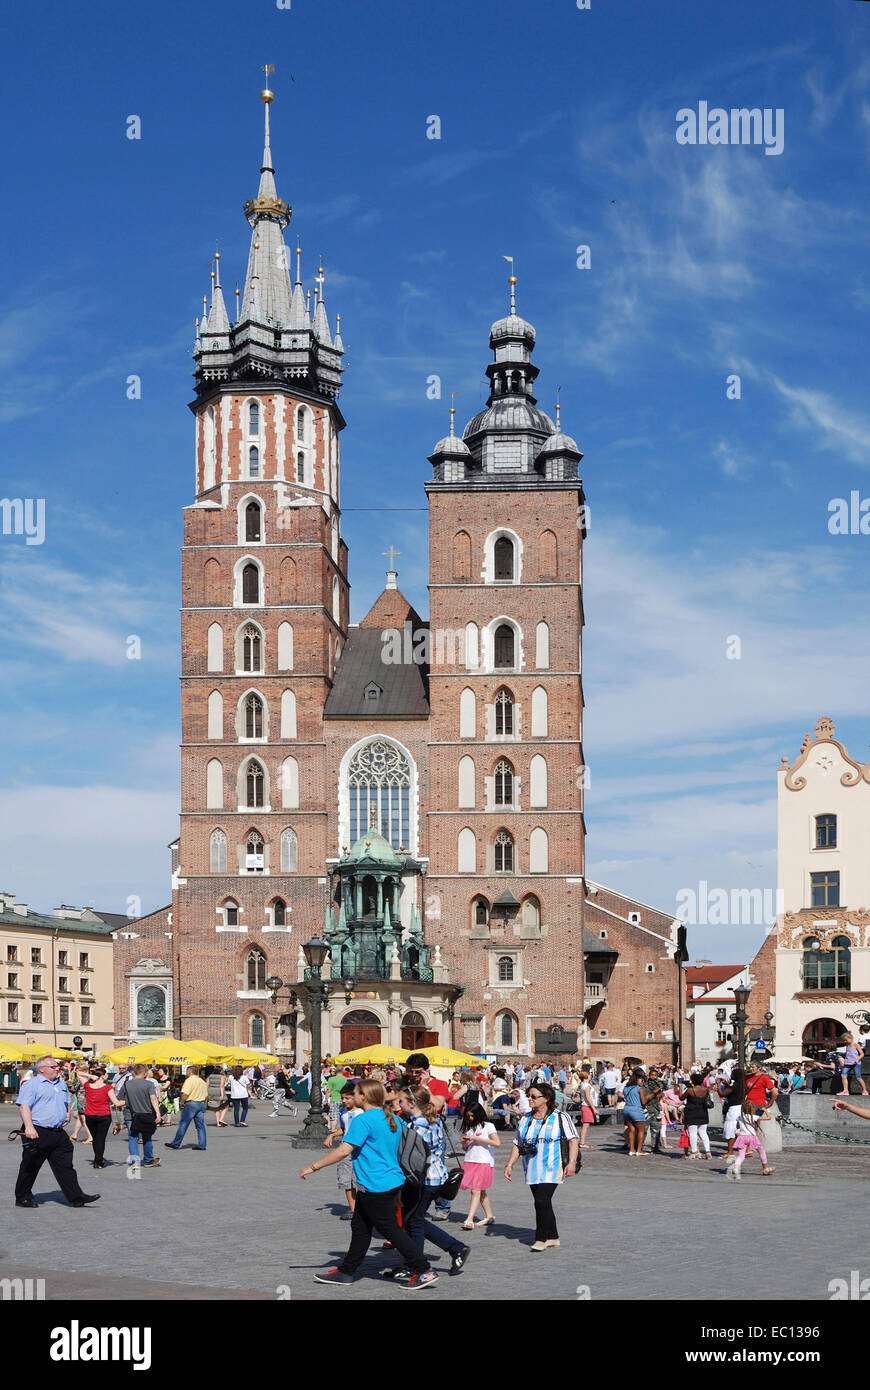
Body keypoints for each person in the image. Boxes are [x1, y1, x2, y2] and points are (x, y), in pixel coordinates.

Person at [300, 1078, 436, 1289]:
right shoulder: (390, 1117)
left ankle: (424, 1270)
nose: (352, 1097)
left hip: (375, 1184)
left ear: (363, 1096)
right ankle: (347, 1271)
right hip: (388, 1181)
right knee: (361, 1227)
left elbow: (344, 1150)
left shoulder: (363, 1120)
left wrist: (314, 1166)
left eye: (354, 1093)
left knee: (392, 1231)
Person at [382, 1087, 471, 1281]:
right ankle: (453, 1249)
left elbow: (412, 1157)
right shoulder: (434, 1119)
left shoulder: (418, 1126)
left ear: (412, 1104)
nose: (399, 1104)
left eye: (402, 1101)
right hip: (436, 1175)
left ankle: (417, 1264)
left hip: (422, 1179)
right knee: (415, 1219)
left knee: (414, 1222)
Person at [14, 1056, 99, 1208]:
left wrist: (66, 1114)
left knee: (65, 1166)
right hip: (37, 1130)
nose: (57, 1069)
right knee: (31, 1165)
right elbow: (24, 1106)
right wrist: (29, 1127)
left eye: (57, 1066)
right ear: (42, 1069)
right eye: (53, 1066)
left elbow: (67, 1101)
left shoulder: (61, 1084)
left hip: (58, 1132)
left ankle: (76, 1196)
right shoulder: (32, 1084)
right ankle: (22, 1197)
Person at [504, 1081, 578, 1252]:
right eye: (528, 1096)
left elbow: (573, 1140)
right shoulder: (526, 1118)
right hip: (531, 1167)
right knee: (544, 1203)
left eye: (533, 1096)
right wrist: (509, 1164)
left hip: (553, 1166)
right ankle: (553, 1236)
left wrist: (572, 1162)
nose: (529, 1099)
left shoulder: (560, 1117)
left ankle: (540, 1238)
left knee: (541, 1201)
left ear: (546, 1098)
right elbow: (518, 1143)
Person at [324, 1081, 362, 1218]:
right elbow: (344, 1129)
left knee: (359, 1180)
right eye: (342, 1098)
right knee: (346, 1180)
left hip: (360, 1151)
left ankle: (363, 1209)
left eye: (347, 1098)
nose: (344, 1101)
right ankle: (353, 1210)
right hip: (345, 1150)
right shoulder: (343, 1112)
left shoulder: (363, 1112)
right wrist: (333, 1134)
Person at [458, 1101, 499, 1228]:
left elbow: (497, 1142)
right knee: (480, 1192)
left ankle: (469, 1219)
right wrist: (464, 1142)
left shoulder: (488, 1126)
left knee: (475, 1190)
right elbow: (466, 1149)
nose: (470, 1118)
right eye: (468, 1116)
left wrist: (476, 1138)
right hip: (470, 1160)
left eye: (472, 1115)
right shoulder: (470, 1128)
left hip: (483, 1161)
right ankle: (489, 1216)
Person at [125, 1064, 162, 1168]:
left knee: (133, 1138)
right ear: (144, 1072)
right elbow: (153, 1099)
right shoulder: (148, 1084)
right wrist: (158, 1114)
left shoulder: (127, 1084)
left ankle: (135, 1162)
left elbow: (124, 1100)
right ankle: (149, 1160)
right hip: (147, 1114)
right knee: (147, 1137)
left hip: (132, 1114)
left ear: (134, 1072)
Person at [726, 1101, 775, 1179]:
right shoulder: (753, 1117)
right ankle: (765, 1168)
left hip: (742, 1137)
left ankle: (736, 1167)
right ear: (752, 1109)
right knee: (761, 1151)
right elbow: (769, 1118)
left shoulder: (739, 1117)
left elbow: (737, 1126)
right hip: (752, 1137)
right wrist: (765, 1110)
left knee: (741, 1155)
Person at [165, 1065, 209, 1150]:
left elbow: (185, 1094)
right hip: (201, 1104)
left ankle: (176, 1143)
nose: (186, 1073)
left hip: (191, 1104)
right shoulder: (202, 1081)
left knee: (183, 1124)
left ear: (189, 1072)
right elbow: (207, 1096)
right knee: (200, 1126)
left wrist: (182, 1102)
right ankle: (202, 1144)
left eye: (187, 1071)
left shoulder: (189, 1081)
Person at [83, 1066, 119, 1169]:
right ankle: (98, 1161)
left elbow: (78, 1073)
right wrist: (126, 1101)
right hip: (104, 1116)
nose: (107, 1075)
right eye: (106, 1074)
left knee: (95, 1139)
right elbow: (116, 1102)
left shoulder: (88, 1085)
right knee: (100, 1139)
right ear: (102, 1076)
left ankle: (97, 1159)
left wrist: (89, 1075)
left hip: (90, 1116)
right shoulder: (108, 1088)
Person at [681, 1073, 713, 1159]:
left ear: (693, 1081)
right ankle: (708, 1152)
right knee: (703, 1133)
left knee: (692, 1133)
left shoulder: (690, 1090)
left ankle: (694, 1152)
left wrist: (681, 1088)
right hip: (703, 1112)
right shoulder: (706, 1090)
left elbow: (681, 1098)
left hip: (691, 1112)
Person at [622, 1068, 648, 1157]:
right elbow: (643, 1102)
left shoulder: (626, 1088)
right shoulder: (640, 1089)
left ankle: (631, 1149)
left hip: (626, 1109)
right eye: (642, 1080)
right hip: (636, 1110)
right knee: (641, 1131)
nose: (643, 1082)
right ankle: (639, 1150)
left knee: (631, 1130)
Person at [720, 1067, 745, 1157]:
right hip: (740, 1107)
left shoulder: (734, 1085)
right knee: (738, 1129)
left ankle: (730, 1152)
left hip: (733, 1109)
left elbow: (722, 1094)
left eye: (732, 1073)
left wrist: (718, 1084)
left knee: (730, 1129)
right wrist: (727, 1085)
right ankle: (745, 1149)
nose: (731, 1075)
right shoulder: (741, 1084)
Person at [643, 1066, 667, 1152]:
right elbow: (646, 1097)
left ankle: (655, 1147)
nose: (653, 1077)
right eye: (651, 1075)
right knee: (644, 1129)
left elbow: (661, 1096)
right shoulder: (646, 1085)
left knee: (656, 1130)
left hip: (656, 1109)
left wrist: (660, 1095)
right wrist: (655, 1092)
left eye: (655, 1075)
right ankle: (640, 1147)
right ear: (649, 1075)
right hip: (647, 1108)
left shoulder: (659, 1084)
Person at [69, 1064, 93, 1146]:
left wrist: (65, 1099)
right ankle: (74, 1135)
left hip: (82, 1100)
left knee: (83, 1119)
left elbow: (72, 1090)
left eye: (76, 1068)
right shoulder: (90, 1077)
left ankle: (90, 1137)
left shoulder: (78, 1078)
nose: (75, 1069)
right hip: (89, 1099)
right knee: (80, 1117)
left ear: (79, 1069)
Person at [576, 1070, 596, 1150]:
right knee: (585, 1125)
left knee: (585, 1125)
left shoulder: (583, 1084)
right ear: (586, 1076)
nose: (590, 1075)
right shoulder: (586, 1086)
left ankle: (582, 1142)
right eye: (589, 1074)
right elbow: (588, 1097)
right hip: (587, 1106)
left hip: (585, 1106)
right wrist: (593, 1108)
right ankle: (582, 1143)